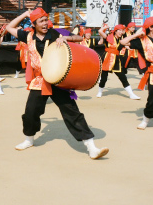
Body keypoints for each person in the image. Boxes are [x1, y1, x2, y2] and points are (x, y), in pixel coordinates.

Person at [6, 8, 109, 159]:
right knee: (31, 112)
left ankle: (91, 147)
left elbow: (79, 39)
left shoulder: (55, 34)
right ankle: (29, 140)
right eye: (41, 21)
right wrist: (25, 14)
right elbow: (9, 27)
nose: (45, 23)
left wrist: (65, 39)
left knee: (71, 112)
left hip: (57, 79)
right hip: (40, 81)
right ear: (34, 24)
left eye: (46, 20)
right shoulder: (28, 36)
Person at [96, 23, 140, 100]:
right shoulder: (108, 37)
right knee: (104, 78)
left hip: (116, 60)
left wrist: (132, 48)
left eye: (122, 30)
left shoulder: (122, 40)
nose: (121, 32)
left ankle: (131, 94)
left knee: (123, 77)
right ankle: (100, 92)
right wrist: (104, 27)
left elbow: (127, 45)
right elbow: (100, 31)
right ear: (115, 31)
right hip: (107, 59)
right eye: (119, 30)